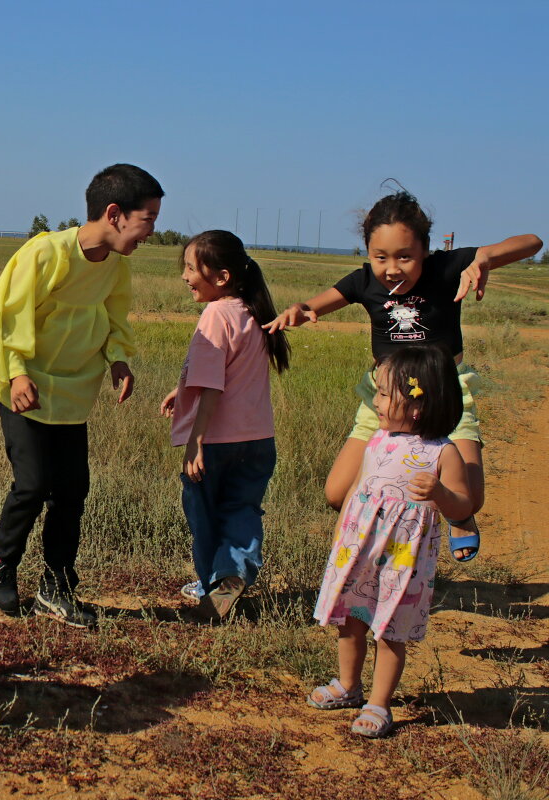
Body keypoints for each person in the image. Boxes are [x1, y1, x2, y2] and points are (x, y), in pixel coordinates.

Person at [266, 187, 542, 561]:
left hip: (444, 394)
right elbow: (313, 304)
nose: (392, 268)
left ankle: (459, 517)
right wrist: (298, 310)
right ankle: (383, 539)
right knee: (337, 493)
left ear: (426, 251)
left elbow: (532, 242)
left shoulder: (447, 267)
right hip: (384, 399)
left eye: (405, 257)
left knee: (468, 499)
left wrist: (485, 259)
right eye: (380, 257)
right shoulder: (364, 281)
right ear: (367, 253)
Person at [0, 163, 163, 627]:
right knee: (33, 483)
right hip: (26, 389)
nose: (151, 233)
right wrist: (17, 373)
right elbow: (7, 314)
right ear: (115, 214)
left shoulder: (116, 265)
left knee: (72, 492)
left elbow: (114, 314)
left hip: (74, 393)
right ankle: (1, 563)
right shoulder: (45, 254)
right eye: (149, 221)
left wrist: (118, 359)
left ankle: (56, 587)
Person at [308, 345, 472, 737]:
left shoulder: (443, 453)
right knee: (350, 621)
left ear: (418, 405)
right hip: (360, 549)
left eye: (383, 393)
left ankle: (379, 704)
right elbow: (357, 490)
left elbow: (463, 506)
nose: (376, 401)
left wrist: (441, 494)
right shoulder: (377, 441)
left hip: (403, 559)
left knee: (390, 630)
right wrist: (340, 536)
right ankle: (349, 685)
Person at [160, 231, 290, 621]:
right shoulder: (253, 311)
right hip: (257, 440)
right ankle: (233, 573)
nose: (184, 275)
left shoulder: (215, 314)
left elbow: (213, 384)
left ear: (221, 277)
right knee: (242, 509)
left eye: (190, 267)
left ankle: (212, 585)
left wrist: (195, 441)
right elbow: (228, 370)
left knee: (205, 516)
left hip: (215, 442)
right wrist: (179, 389)